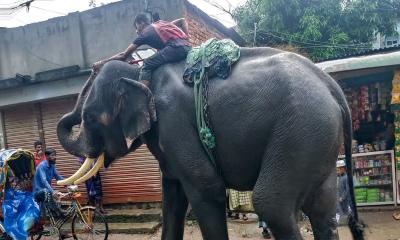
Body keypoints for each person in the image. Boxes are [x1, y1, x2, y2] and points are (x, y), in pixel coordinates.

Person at [92, 13, 191, 86]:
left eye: (136, 27)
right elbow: (182, 20)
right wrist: (187, 37)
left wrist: (103, 62)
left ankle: (142, 96)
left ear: (141, 23)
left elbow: (123, 55)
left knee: (147, 64)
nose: (136, 31)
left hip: (176, 49)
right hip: (187, 47)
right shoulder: (160, 23)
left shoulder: (145, 34)